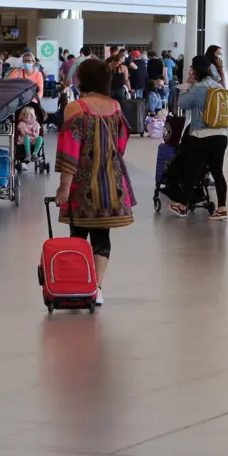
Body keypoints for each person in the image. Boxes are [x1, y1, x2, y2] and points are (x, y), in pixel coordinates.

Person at [54, 58, 137, 305]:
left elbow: (70, 150)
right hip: (111, 184)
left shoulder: (76, 108)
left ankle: (79, 285)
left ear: (82, 79)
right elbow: (121, 145)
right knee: (102, 237)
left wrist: (64, 186)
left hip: (83, 185)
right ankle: (97, 287)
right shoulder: (115, 107)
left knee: (78, 236)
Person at [173, 55, 228, 220]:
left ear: (195, 70)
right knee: (218, 172)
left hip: (201, 136)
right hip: (221, 135)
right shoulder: (219, 87)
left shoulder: (198, 89)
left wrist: (187, 83)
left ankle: (183, 206)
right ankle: (222, 208)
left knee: (192, 172)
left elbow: (181, 104)